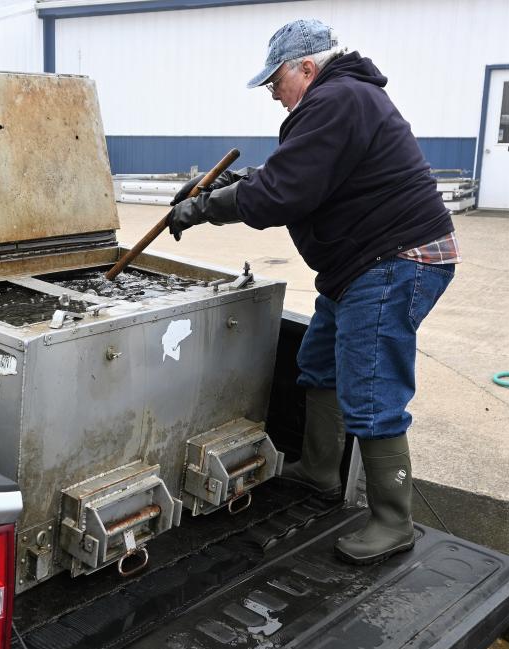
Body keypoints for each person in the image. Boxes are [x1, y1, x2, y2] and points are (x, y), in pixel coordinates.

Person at [167, 19, 459, 566]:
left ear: (307, 67)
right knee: (319, 359)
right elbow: (296, 171)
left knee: (371, 386)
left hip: (396, 261)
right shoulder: (339, 101)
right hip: (361, 265)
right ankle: (322, 470)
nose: (273, 94)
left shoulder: (338, 99)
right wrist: (229, 185)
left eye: (276, 82)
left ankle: (394, 520)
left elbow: (282, 192)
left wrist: (206, 207)